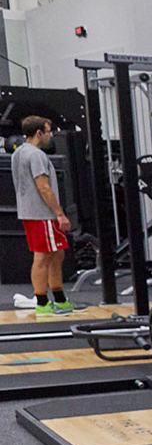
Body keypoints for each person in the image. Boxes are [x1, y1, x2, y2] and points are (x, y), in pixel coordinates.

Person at [12, 117, 85, 318]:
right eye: (48, 131)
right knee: (43, 256)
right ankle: (43, 303)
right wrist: (59, 213)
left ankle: (59, 299)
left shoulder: (19, 152)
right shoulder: (36, 155)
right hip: (43, 214)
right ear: (39, 133)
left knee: (57, 254)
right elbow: (43, 187)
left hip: (31, 213)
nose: (51, 135)